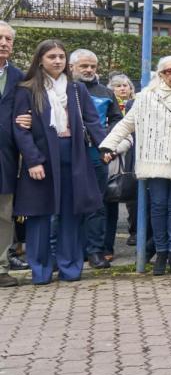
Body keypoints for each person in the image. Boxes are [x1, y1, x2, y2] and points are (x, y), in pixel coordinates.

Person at [100, 55, 171, 275]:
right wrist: (109, 145)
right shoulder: (147, 97)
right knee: (158, 207)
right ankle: (161, 253)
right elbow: (128, 123)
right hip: (156, 159)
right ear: (161, 75)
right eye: (170, 71)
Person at [14, 39, 106, 285]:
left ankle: (70, 267)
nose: (57, 61)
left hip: (74, 156)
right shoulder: (27, 88)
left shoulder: (77, 90)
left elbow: (93, 122)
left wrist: (107, 147)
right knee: (40, 216)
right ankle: (41, 270)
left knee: (70, 215)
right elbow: (20, 129)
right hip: (42, 159)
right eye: (51, 56)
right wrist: (32, 160)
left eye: (61, 57)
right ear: (40, 60)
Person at [68, 49, 122, 269]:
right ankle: (71, 250)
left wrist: (104, 134)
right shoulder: (63, 90)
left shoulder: (106, 92)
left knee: (97, 204)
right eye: (84, 66)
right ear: (72, 67)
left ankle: (95, 251)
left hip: (96, 153)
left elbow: (117, 119)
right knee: (68, 203)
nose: (89, 70)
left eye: (92, 66)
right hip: (69, 152)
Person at [0, 21, 24, 287]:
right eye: (0, 38)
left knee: (4, 214)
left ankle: (0, 267)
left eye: (8, 39)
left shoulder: (18, 77)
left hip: (5, 156)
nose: (4, 43)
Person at [103, 73, 137, 256]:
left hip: (125, 155)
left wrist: (115, 150)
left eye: (126, 85)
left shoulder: (133, 105)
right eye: (118, 86)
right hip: (105, 156)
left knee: (126, 193)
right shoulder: (108, 105)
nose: (123, 88)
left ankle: (133, 231)